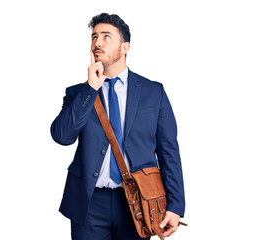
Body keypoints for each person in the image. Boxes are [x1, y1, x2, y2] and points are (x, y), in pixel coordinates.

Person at [50, 13, 185, 240]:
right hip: (89, 203)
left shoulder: (154, 93)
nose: (97, 43)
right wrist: (90, 89)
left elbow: (168, 151)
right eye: (94, 37)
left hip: (139, 202)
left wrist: (176, 205)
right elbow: (62, 136)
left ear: (125, 47)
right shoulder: (78, 93)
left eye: (106, 36)